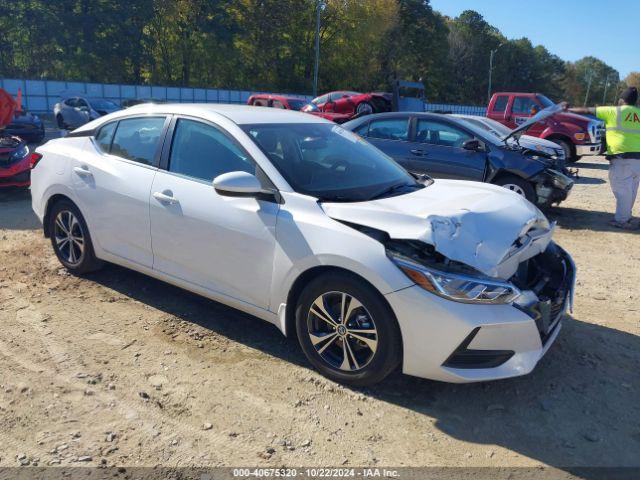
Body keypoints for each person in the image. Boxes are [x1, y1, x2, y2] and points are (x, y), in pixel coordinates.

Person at [565, 87, 640, 229]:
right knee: (631, 189)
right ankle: (626, 216)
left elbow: (588, 110)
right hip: (638, 159)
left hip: (622, 157)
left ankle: (622, 220)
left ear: (622, 100)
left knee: (622, 189)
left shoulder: (614, 111)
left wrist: (568, 109)